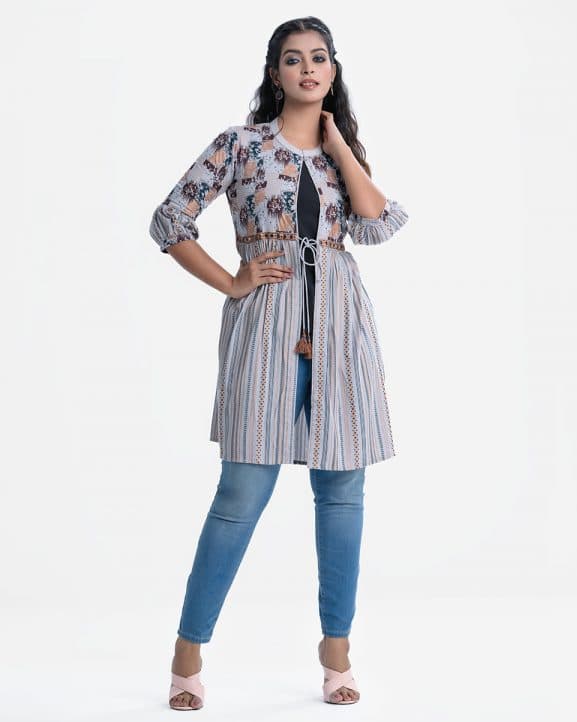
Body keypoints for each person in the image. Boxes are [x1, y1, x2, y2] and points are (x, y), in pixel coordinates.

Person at [149, 15, 409, 711]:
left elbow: (377, 222)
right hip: (265, 326)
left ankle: (336, 650)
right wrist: (231, 281)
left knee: (343, 493)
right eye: (293, 59)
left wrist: (339, 144)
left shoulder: (340, 152)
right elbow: (169, 220)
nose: (308, 69)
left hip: (341, 329)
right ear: (275, 73)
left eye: (319, 58)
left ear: (333, 70)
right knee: (241, 493)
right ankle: (188, 649)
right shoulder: (240, 145)